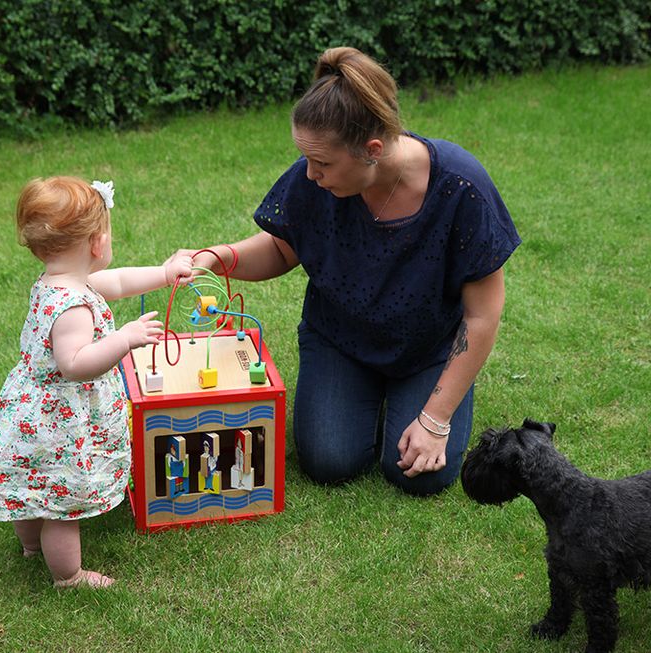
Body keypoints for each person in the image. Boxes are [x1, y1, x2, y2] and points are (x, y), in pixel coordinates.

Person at [186, 47, 520, 496]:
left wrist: (436, 418)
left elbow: (481, 315)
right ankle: (367, 397)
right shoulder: (318, 178)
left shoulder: (461, 188)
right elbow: (282, 249)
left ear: (372, 150)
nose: (309, 174)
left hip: (427, 348)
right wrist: (215, 257)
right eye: (307, 159)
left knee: (420, 475)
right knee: (328, 461)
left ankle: (418, 399)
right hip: (339, 338)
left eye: (321, 163)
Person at [0, 176, 193, 588]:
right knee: (62, 507)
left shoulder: (59, 283)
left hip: (31, 412)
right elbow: (75, 364)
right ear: (98, 243)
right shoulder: (74, 307)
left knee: (32, 491)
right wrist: (124, 338)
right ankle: (68, 575)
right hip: (61, 421)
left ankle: (29, 545)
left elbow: (117, 282)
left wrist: (165, 273)